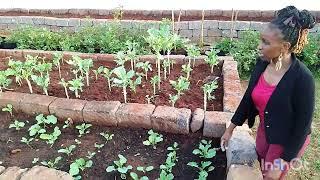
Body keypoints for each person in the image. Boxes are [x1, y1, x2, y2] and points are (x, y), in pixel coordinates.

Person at [220, 6, 316, 180]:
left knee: (270, 175)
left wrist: (282, 162)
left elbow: (302, 128)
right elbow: (248, 98)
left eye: (266, 42)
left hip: (286, 140)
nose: (259, 46)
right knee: (261, 161)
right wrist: (230, 129)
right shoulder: (262, 63)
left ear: (285, 46)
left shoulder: (303, 79)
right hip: (267, 130)